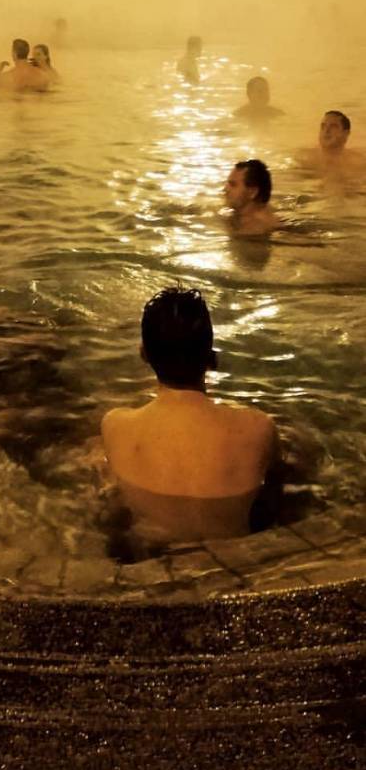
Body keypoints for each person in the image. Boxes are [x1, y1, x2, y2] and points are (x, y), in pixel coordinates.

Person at [101, 287, 280, 541]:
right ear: (211, 357)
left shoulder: (114, 425)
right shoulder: (259, 427)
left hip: (150, 558)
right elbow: (273, 501)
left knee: (95, 460)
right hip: (239, 558)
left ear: (144, 354)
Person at [299, 110, 366, 182]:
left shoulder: (358, 163)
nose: (326, 131)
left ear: (345, 133)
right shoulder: (305, 159)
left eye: (333, 126)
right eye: (323, 126)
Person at [224, 159, 278, 236]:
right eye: (227, 184)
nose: (225, 189)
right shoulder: (245, 214)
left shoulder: (254, 230)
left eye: (233, 185)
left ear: (252, 192)